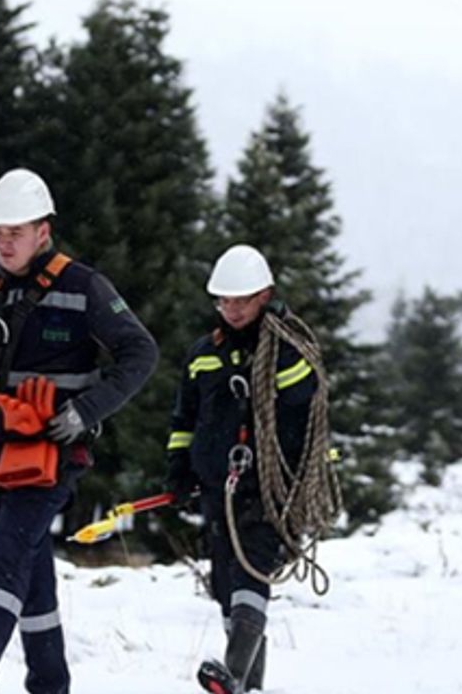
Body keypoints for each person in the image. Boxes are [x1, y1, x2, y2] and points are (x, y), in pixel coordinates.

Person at [0, 168, 158, 694]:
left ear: (44, 231)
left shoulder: (85, 286)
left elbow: (141, 352)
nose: (4, 241)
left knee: (4, 562)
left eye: (15, 231)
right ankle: (50, 684)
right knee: (30, 572)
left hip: (52, 460)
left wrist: (86, 411)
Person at [163, 245, 320, 694]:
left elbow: (307, 412)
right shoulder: (203, 355)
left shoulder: (286, 351)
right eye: (223, 301)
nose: (231, 310)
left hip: (269, 490)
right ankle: (247, 687)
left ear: (265, 296)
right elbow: (183, 419)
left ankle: (230, 674)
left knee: (252, 574)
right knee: (226, 585)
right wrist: (179, 469)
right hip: (218, 488)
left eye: (241, 301)